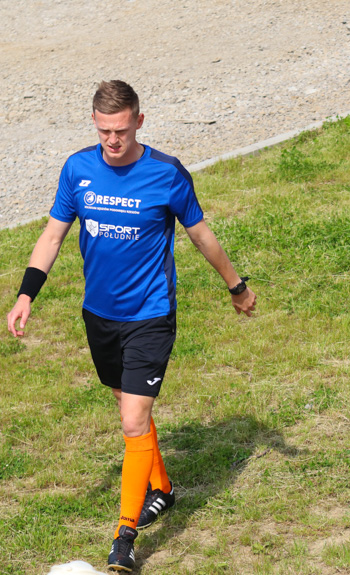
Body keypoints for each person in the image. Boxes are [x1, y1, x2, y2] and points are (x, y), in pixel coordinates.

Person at [6, 81, 257, 572]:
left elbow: (200, 234)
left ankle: (124, 537)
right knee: (128, 407)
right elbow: (53, 236)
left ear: (139, 122)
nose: (111, 141)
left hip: (150, 314)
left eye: (120, 131)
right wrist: (25, 295)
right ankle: (162, 487)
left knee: (131, 421)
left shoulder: (165, 173)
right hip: (99, 316)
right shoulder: (78, 169)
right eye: (103, 131)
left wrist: (236, 286)